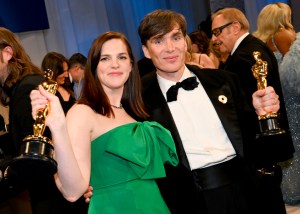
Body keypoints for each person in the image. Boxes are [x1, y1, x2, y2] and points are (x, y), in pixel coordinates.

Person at [137, 9, 281, 214]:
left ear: (185, 42)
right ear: (145, 50)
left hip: (245, 189)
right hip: (191, 200)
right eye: (158, 41)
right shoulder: (139, 100)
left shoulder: (224, 81)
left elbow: (251, 138)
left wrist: (260, 113)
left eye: (176, 38)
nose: (170, 48)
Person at [30, 31, 179, 213]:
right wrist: (58, 127)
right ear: (93, 67)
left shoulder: (135, 111)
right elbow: (72, 192)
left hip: (154, 205)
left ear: (131, 65)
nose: (115, 64)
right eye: (105, 59)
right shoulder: (83, 112)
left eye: (122, 57)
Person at [211, 7, 294, 213]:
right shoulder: (256, 48)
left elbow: (248, 110)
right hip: (267, 145)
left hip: (258, 148)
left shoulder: (243, 57)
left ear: (235, 27)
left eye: (217, 32)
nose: (214, 39)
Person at [253, 2, 300, 205]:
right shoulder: (283, 35)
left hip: (275, 103)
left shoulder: (258, 41)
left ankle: (289, 191)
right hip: (292, 100)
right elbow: (294, 73)